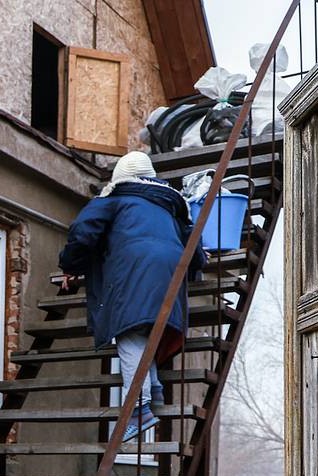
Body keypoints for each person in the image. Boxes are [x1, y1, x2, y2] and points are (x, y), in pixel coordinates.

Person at [58, 150, 207, 442]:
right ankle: (155, 390)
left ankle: (138, 410)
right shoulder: (170, 208)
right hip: (171, 272)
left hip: (134, 268)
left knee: (129, 333)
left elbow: (82, 232)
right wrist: (198, 263)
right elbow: (195, 246)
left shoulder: (114, 199)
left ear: (119, 179)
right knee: (144, 328)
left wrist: (70, 265)